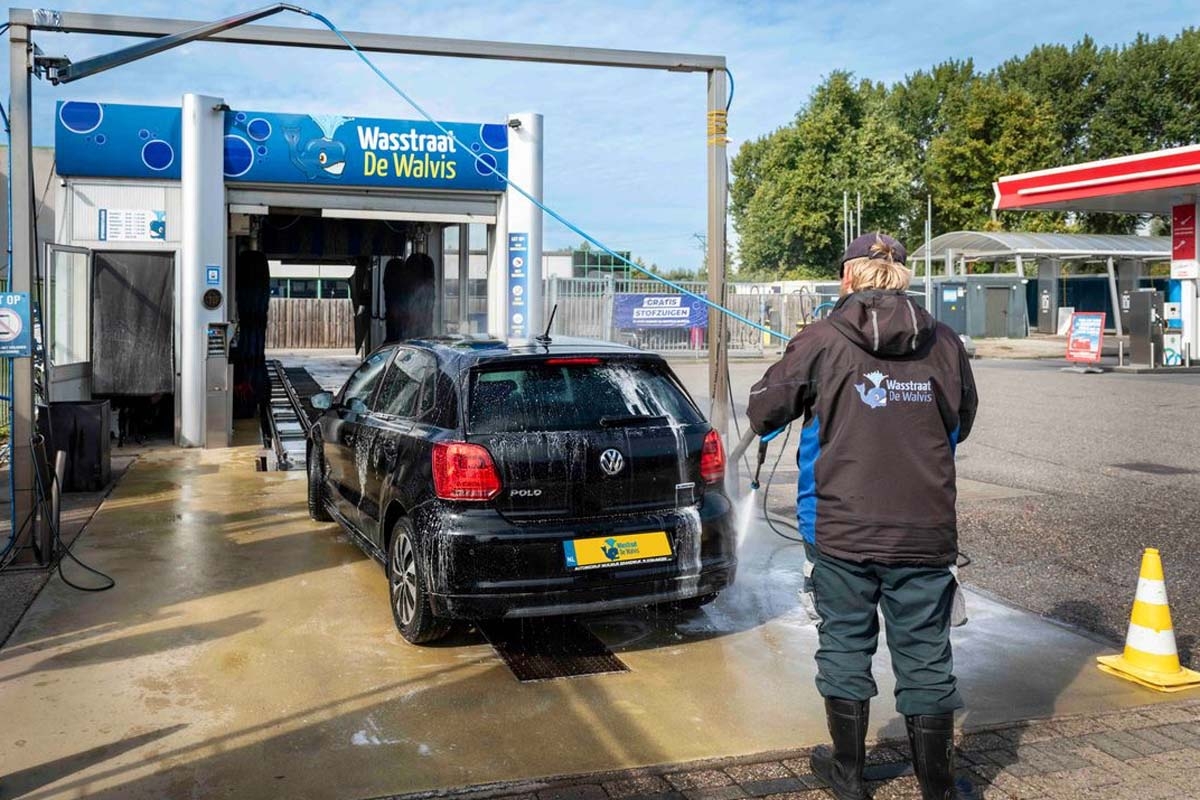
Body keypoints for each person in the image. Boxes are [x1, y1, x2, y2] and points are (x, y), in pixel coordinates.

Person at [747, 232, 978, 800]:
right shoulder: (944, 341)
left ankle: (848, 777)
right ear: (902, 276)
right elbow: (962, 419)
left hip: (840, 527)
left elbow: (763, 410)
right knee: (925, 654)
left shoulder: (821, 339)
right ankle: (938, 788)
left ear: (847, 277)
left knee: (846, 644)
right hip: (923, 525)